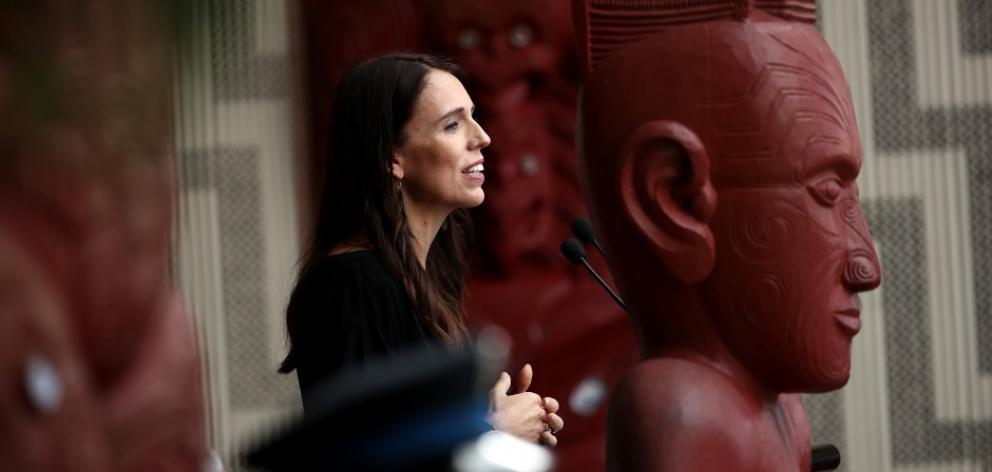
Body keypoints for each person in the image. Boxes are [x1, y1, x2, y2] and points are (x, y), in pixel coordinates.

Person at [573, 0, 881, 470]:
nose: (867, 268)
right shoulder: (682, 411)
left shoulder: (784, 412)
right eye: (827, 192)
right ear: (675, 202)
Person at [277, 52, 563, 446]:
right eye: (452, 125)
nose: (482, 137)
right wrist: (491, 430)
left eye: (473, 116)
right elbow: (364, 455)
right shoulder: (353, 284)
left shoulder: (414, 278)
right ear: (393, 157)